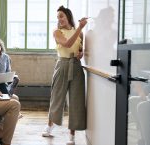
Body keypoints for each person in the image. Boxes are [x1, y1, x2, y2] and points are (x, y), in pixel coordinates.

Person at [42, 5, 88, 145]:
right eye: (57, 17)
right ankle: (50, 126)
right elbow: (67, 44)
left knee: (76, 101)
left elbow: (79, 49)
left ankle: (72, 135)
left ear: (68, 16)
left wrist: (81, 53)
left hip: (76, 66)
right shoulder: (57, 32)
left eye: (61, 16)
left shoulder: (80, 33)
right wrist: (80, 27)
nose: (59, 19)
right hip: (62, 65)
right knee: (57, 97)